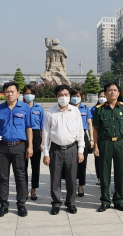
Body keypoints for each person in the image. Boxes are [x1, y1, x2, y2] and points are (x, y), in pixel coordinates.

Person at [0, 82, 33, 218]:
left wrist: (30, 146)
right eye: (7, 91)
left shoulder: (25, 108)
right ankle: (3, 205)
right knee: (3, 178)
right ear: (4, 93)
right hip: (2, 147)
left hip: (19, 146)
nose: (10, 94)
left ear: (18, 93)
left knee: (21, 177)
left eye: (12, 91)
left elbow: (29, 128)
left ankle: (21, 205)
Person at [43, 84, 85, 215]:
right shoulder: (50, 113)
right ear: (56, 97)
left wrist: (80, 151)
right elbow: (45, 134)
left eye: (66, 95)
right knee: (55, 178)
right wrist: (45, 153)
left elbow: (80, 132)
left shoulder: (75, 111)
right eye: (61, 95)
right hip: (55, 150)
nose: (64, 97)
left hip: (72, 149)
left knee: (72, 178)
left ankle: (70, 203)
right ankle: (56, 203)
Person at [93, 82, 123, 212]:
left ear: (119, 93)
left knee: (120, 172)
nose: (112, 92)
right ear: (105, 93)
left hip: (120, 142)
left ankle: (119, 200)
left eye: (115, 90)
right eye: (109, 90)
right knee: (104, 173)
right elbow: (96, 129)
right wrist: (96, 146)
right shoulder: (100, 109)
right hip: (105, 143)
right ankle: (105, 200)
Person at [69, 87, 94, 197]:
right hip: (70, 136)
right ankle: (72, 184)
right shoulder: (67, 108)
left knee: (82, 163)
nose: (75, 98)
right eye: (73, 96)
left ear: (81, 97)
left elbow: (89, 124)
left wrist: (91, 139)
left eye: (77, 96)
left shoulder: (85, 108)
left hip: (83, 136)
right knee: (71, 163)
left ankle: (81, 186)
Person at [22, 85, 44, 201]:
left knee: (35, 166)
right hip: (23, 136)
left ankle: (33, 190)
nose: (28, 96)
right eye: (26, 93)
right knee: (23, 166)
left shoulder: (39, 108)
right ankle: (24, 189)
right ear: (23, 95)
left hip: (36, 136)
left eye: (31, 93)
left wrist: (42, 142)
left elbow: (43, 127)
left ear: (34, 95)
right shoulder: (20, 107)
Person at [91, 90, 107, 185]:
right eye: (101, 96)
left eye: (104, 96)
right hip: (98, 135)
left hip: (108, 136)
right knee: (98, 157)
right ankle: (99, 177)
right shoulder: (94, 108)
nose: (102, 98)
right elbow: (92, 124)